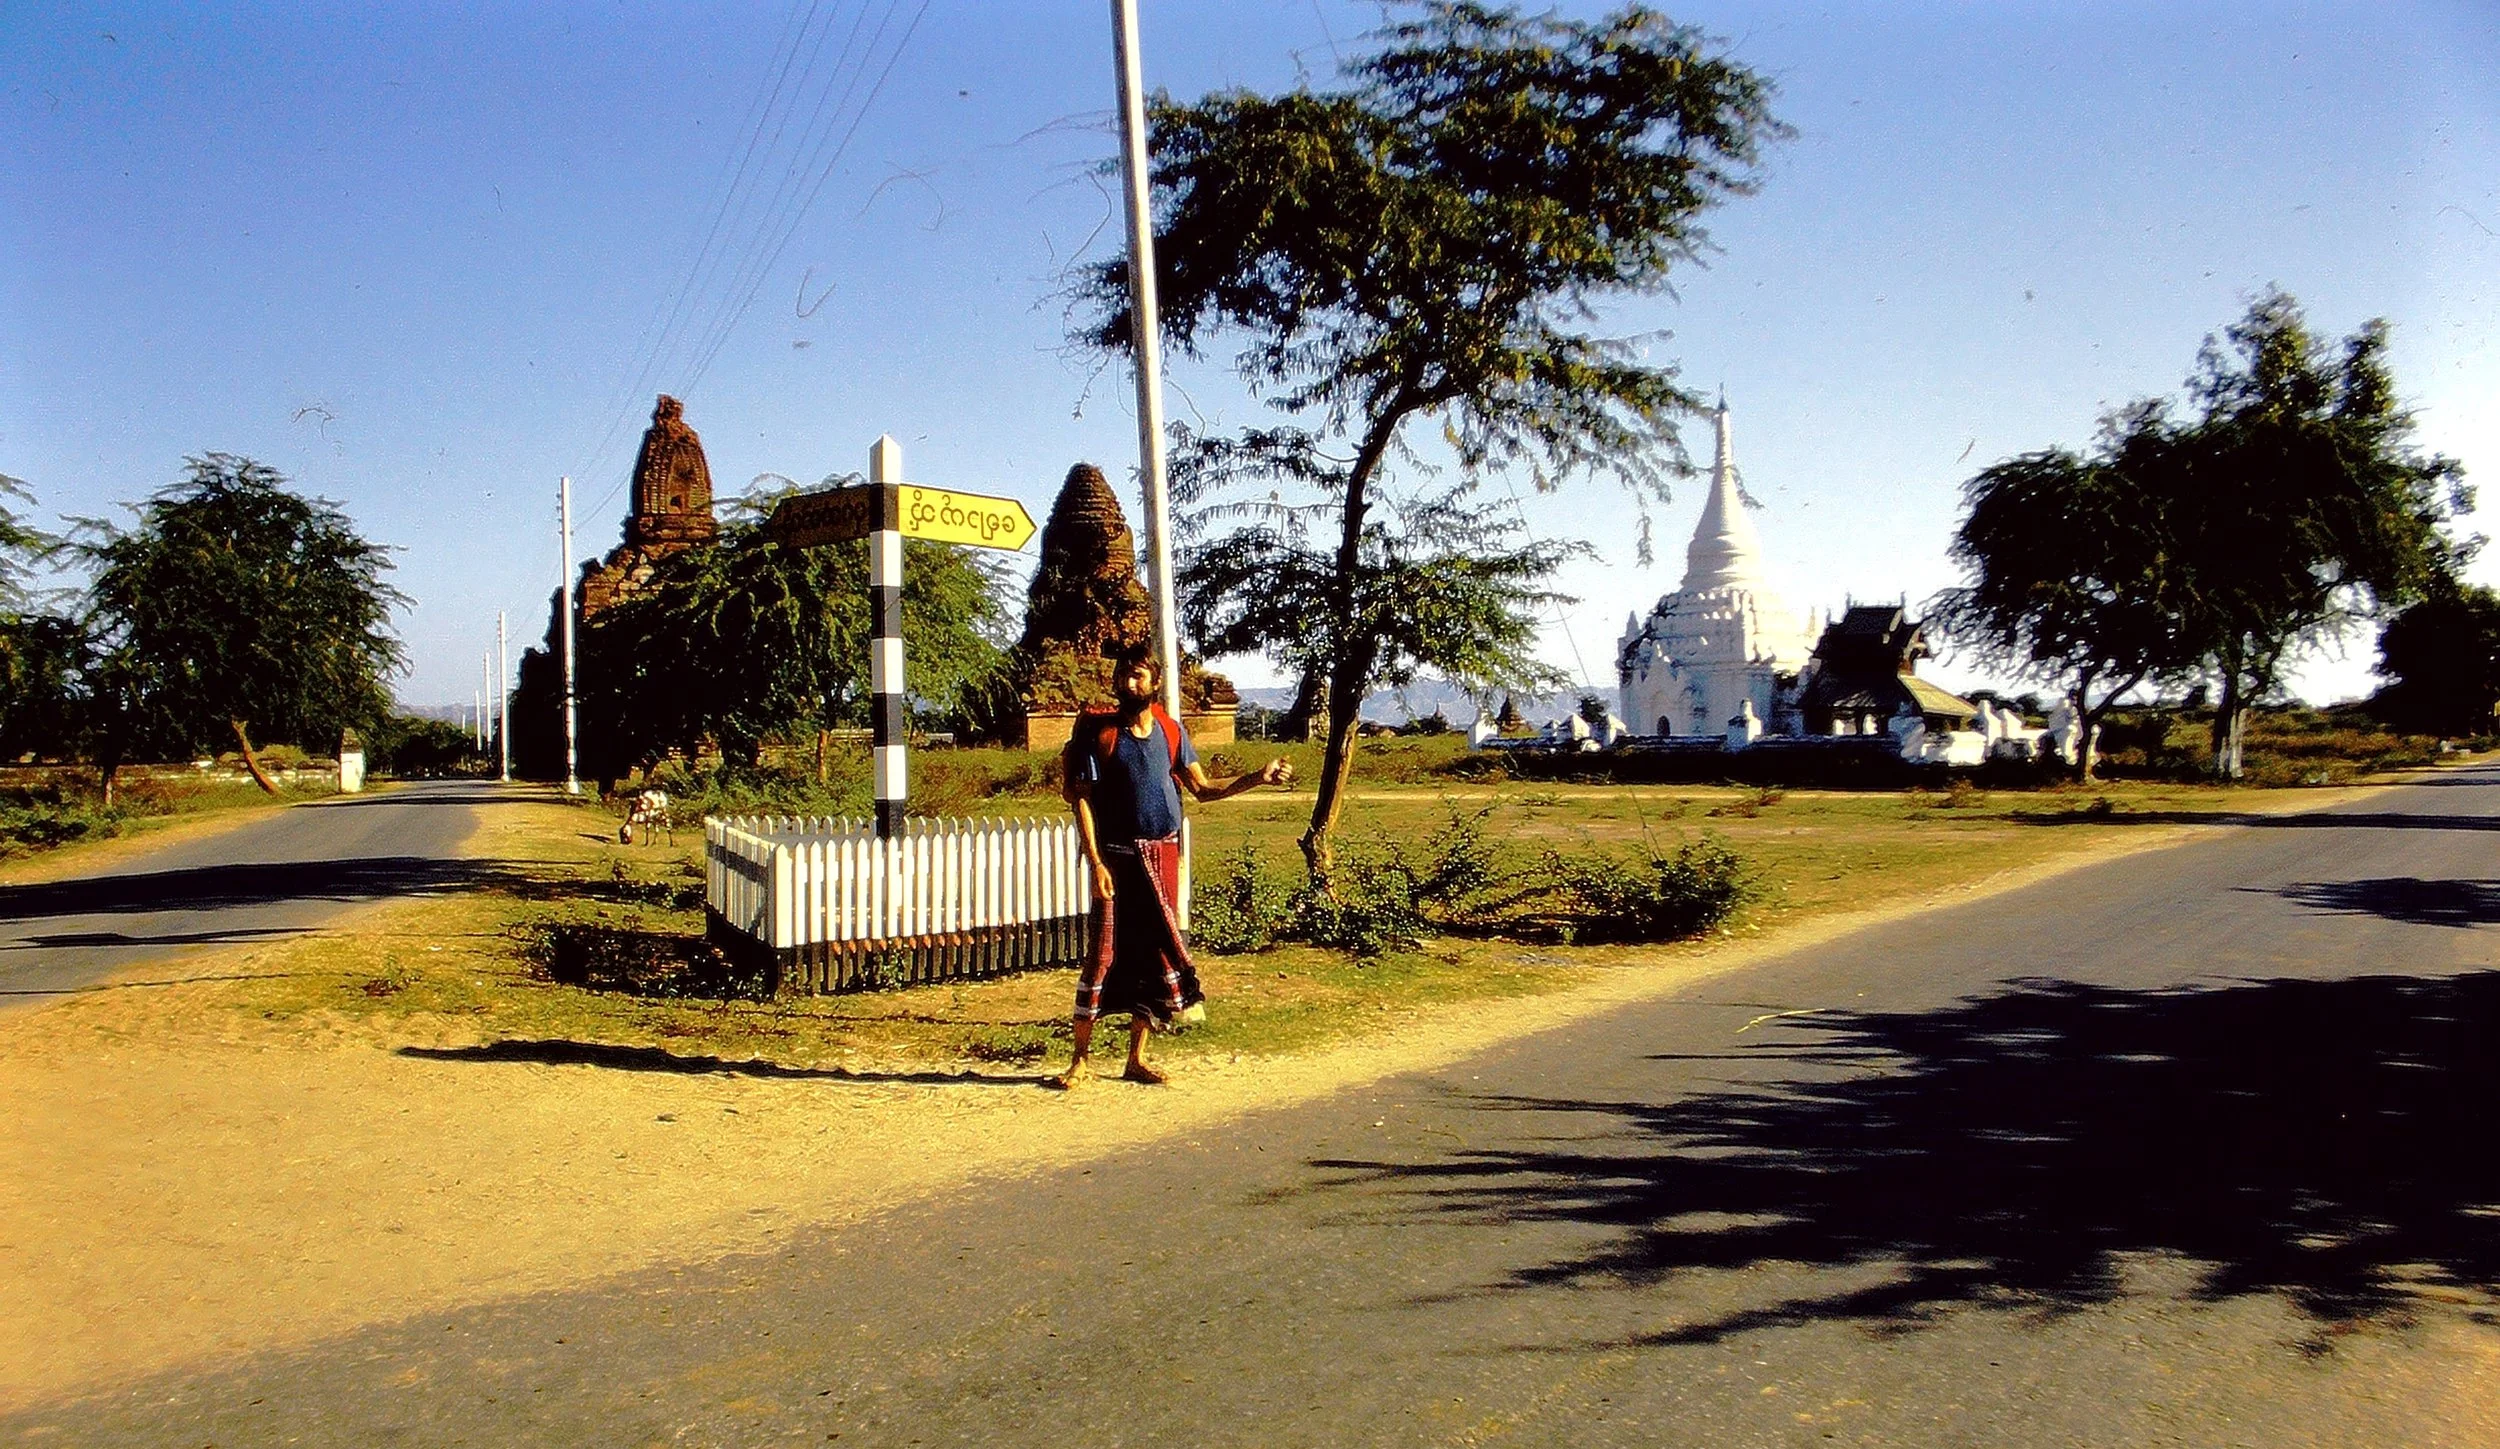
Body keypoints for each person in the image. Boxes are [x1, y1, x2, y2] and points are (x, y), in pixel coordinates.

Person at [1053, 649, 1292, 1088]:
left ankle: (1136, 1059)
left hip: (1163, 857)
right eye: (1123, 676)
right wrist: (1096, 861)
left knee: (1153, 955)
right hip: (1117, 859)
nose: (1129, 684)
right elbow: (1082, 799)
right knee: (1102, 956)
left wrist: (1258, 777)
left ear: (1155, 683)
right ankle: (1080, 1060)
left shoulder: (1171, 731)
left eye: (1138, 676)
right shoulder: (1099, 734)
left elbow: (1202, 789)